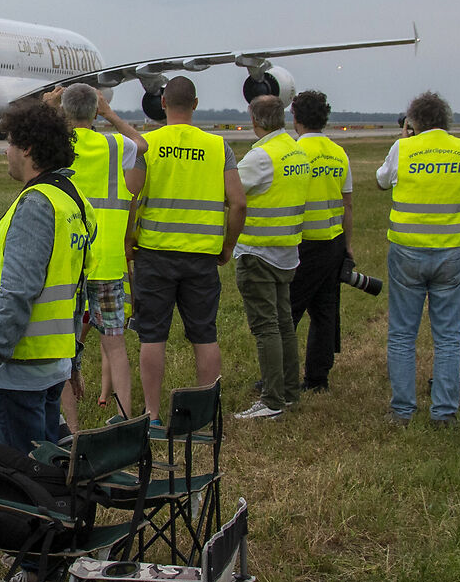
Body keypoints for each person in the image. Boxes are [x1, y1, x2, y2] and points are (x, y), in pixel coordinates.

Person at [0, 96, 94, 457]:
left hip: (18, 369)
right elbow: (80, 292)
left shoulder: (36, 205)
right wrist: (73, 360)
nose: (5, 151)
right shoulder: (74, 200)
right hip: (50, 365)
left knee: (20, 477)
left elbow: (18, 292)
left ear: (28, 148)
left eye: (10, 142)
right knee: (46, 471)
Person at [130, 76, 247, 419]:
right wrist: (227, 247)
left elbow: (131, 197)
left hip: (154, 253)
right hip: (202, 256)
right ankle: (204, 416)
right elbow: (238, 204)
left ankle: (151, 414)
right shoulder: (218, 147)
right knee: (204, 335)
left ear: (162, 104)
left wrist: (128, 241)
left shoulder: (148, 145)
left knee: (152, 337)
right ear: (195, 105)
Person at [376, 91, 460, 422]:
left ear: (412, 121)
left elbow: (382, 181)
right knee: (448, 337)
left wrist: (406, 139)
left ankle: (403, 409)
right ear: (446, 119)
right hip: (451, 250)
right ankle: (444, 411)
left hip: (407, 250)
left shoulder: (403, 148)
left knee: (403, 333)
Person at [56, 83, 145, 424]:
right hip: (106, 260)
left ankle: (70, 426)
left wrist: (51, 109)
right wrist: (111, 115)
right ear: (94, 111)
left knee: (62, 345)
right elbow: (142, 145)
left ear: (65, 112)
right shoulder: (114, 145)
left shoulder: (58, 145)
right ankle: (124, 416)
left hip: (67, 259)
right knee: (115, 344)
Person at [232, 94, 311, 418]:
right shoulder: (296, 151)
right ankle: (290, 391)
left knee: (266, 328)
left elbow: (230, 193)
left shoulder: (261, 156)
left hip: (258, 252)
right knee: (283, 325)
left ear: (255, 121)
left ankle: (272, 399)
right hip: (286, 250)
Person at [288, 90, 354, 394]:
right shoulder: (338, 152)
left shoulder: (294, 152)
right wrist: (347, 246)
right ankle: (318, 378)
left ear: (296, 118)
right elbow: (348, 205)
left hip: (301, 243)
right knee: (325, 314)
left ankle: (282, 376)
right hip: (332, 242)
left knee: (287, 314)